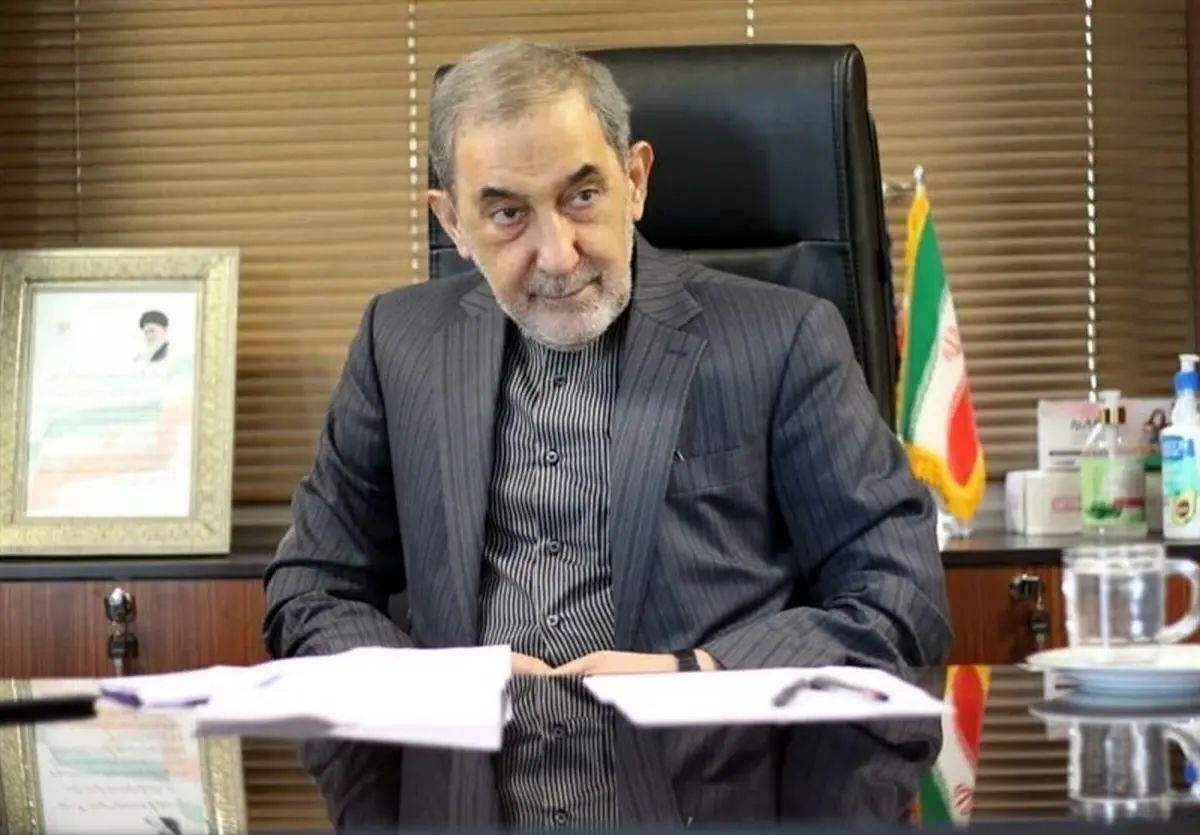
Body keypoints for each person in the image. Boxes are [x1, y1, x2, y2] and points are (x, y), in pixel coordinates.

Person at [263, 39, 951, 830]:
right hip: (464, 792)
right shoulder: (399, 343)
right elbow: (312, 587)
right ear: (453, 222)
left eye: (582, 195)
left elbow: (899, 597)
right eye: (507, 213)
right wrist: (430, 681)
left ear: (637, 180)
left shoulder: (784, 338)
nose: (558, 256)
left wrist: (702, 672)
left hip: (712, 787)